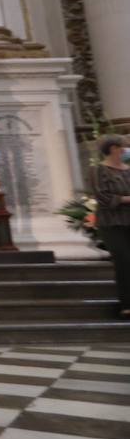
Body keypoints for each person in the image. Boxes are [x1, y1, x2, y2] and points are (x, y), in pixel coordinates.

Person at [90, 134, 130, 319]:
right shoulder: (99, 170)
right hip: (112, 223)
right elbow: (102, 197)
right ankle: (127, 304)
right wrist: (125, 199)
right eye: (124, 146)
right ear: (113, 148)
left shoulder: (128, 169)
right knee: (124, 261)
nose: (126, 150)